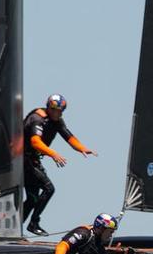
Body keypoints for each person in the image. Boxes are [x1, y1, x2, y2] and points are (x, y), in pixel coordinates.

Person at [22, 94, 97, 235]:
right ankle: (34, 223)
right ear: (50, 108)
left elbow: (68, 136)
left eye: (62, 110)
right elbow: (35, 142)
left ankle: (17, 228)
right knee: (48, 188)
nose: (60, 113)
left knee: (32, 199)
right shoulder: (37, 119)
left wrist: (82, 148)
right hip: (24, 160)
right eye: (58, 110)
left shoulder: (56, 121)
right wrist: (53, 154)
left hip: (33, 161)